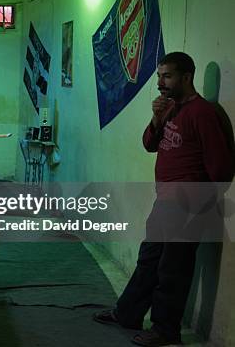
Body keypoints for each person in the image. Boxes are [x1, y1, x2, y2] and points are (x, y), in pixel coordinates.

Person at [93, 52, 233, 346]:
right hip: (165, 201)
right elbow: (149, 145)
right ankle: (127, 313)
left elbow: (221, 168)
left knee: (174, 269)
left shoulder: (204, 113)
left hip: (188, 204)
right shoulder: (170, 108)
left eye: (166, 76)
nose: (160, 83)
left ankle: (165, 330)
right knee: (149, 260)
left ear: (186, 77)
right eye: (158, 76)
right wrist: (157, 118)